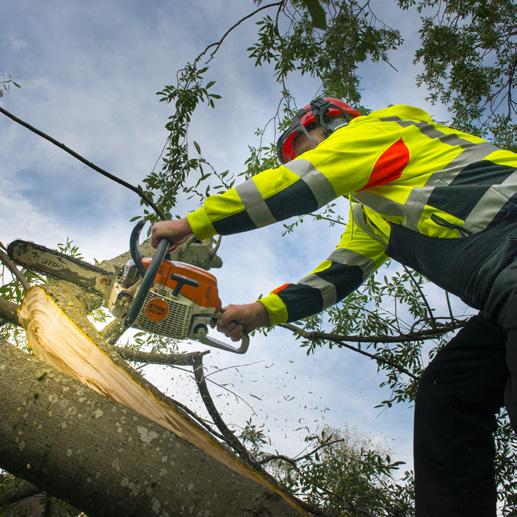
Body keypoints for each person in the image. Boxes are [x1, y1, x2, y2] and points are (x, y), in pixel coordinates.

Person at [151, 98, 516, 516]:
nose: (308, 158)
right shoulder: (374, 209)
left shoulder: (375, 131)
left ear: (332, 121)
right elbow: (339, 274)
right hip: (502, 292)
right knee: (449, 393)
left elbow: (300, 183)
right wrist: (261, 311)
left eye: (306, 148)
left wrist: (192, 224)